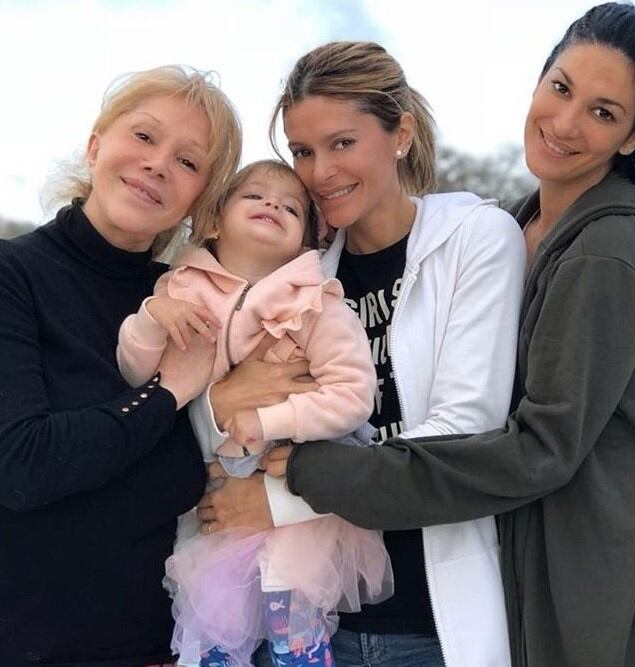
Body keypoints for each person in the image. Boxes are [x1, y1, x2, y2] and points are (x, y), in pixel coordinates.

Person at [262, 3, 635, 666]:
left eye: (601, 112)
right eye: (560, 89)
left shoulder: (609, 250)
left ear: (633, 135)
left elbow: (539, 448)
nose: (562, 123)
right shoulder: (520, 226)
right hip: (530, 590)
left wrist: (313, 475)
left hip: (610, 611)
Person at [191, 42, 526, 666]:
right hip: (298, 619)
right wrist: (217, 408)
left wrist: (275, 500)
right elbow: (218, 407)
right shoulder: (299, 274)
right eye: (303, 151)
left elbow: (462, 435)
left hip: (429, 624)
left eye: (341, 143)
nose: (318, 173)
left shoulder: (476, 240)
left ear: (401, 133)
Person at [0, 65, 242, 666]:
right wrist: (165, 395)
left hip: (164, 648)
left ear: (200, 198)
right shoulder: (14, 276)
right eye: (143, 136)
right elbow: (22, 465)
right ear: (94, 145)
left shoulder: (198, 308)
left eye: (188, 162)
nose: (159, 163)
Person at [116, 159, 392, 667]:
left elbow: (354, 394)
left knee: (294, 632)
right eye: (255, 197)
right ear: (216, 221)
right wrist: (153, 318)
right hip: (215, 496)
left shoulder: (318, 305)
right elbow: (138, 376)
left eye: (290, 207)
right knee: (212, 626)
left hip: (298, 493)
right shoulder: (179, 290)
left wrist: (270, 421)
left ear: (307, 244)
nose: (272, 206)